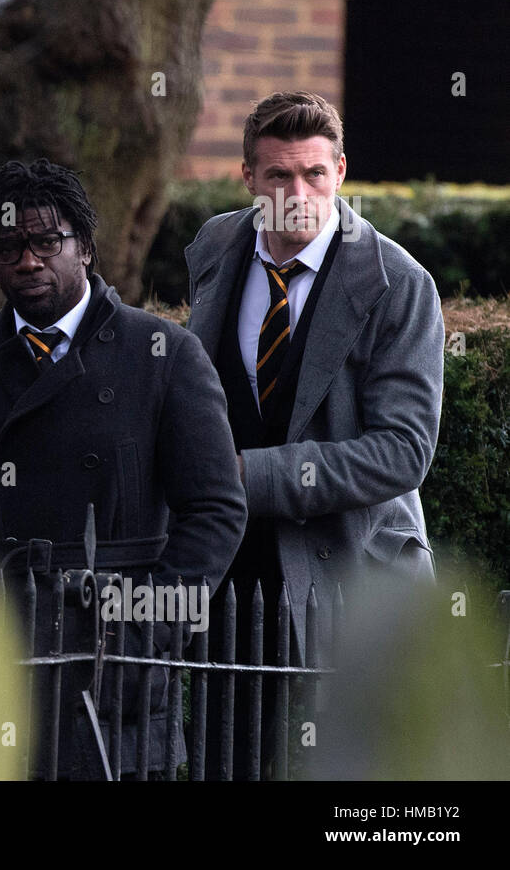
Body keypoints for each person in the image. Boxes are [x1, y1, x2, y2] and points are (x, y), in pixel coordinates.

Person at [0, 159, 246, 778]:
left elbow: (216, 512)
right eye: (8, 247)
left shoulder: (162, 353)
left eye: (46, 242)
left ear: (84, 247)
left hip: (118, 645)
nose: (28, 260)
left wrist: (147, 634)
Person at [184, 91, 445, 779]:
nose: (297, 193)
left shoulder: (398, 284)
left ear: (341, 171)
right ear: (247, 178)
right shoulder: (216, 246)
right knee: (226, 761)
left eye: (314, 174)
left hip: (349, 578)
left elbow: (404, 452)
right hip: (228, 578)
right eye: (277, 176)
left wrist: (250, 476)